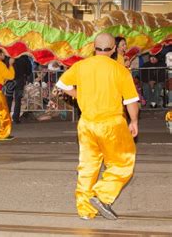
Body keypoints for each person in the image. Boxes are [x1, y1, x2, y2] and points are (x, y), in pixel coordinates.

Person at [56, 33, 139, 221]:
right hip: (111, 124)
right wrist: (133, 121)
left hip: (86, 124)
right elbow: (131, 100)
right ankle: (101, 195)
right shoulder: (119, 70)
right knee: (122, 163)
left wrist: (79, 95)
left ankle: (85, 209)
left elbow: (62, 84)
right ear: (113, 49)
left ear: (94, 47)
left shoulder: (81, 66)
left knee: (88, 166)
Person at [5, 55, 32, 124]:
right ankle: (16, 118)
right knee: (18, 99)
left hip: (9, 81)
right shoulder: (24, 57)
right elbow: (29, 70)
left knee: (8, 99)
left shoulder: (8, 56)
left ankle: (6, 118)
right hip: (20, 81)